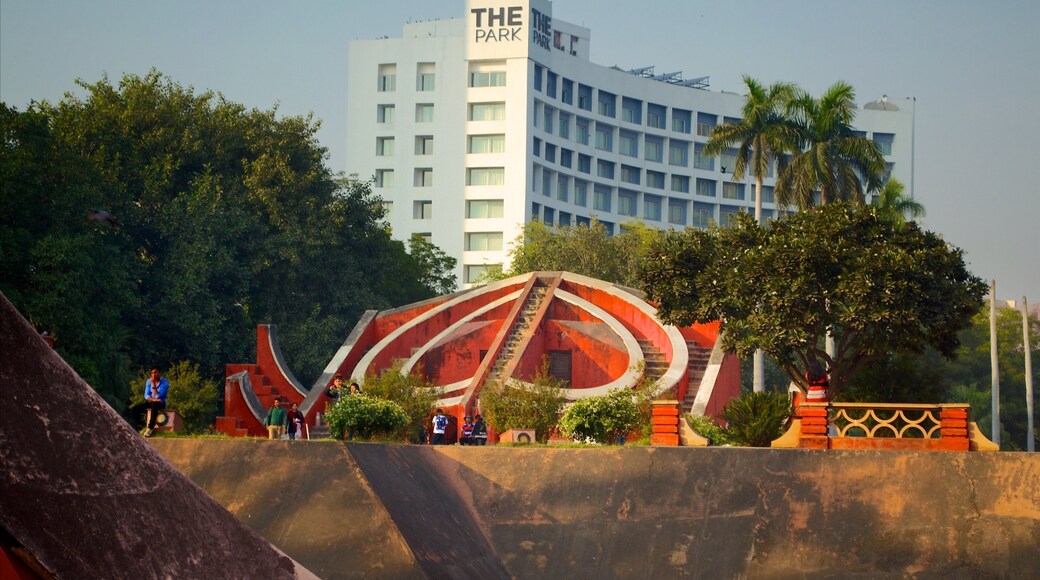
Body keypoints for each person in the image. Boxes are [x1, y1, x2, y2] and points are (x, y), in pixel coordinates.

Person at [139, 366, 170, 437]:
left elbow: (158, 396)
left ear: (160, 373)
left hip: (161, 403)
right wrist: (154, 399)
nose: (153, 375)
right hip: (152, 401)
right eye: (152, 373)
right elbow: (146, 395)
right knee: (137, 408)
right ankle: (140, 428)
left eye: (155, 372)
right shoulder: (148, 382)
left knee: (155, 404)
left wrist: (153, 384)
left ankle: (150, 428)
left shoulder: (165, 383)